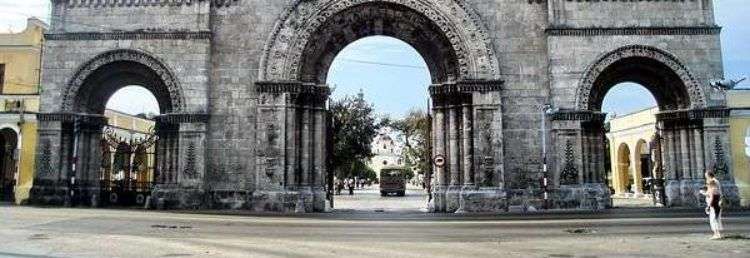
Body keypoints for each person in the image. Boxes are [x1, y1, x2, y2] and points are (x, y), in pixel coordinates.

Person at [700, 170, 723, 240]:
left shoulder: (713, 182)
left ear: (708, 176)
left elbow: (712, 194)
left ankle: (716, 234)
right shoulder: (715, 181)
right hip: (716, 202)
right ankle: (717, 233)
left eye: (706, 176)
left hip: (714, 203)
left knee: (713, 219)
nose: (705, 178)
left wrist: (703, 193)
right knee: (715, 218)